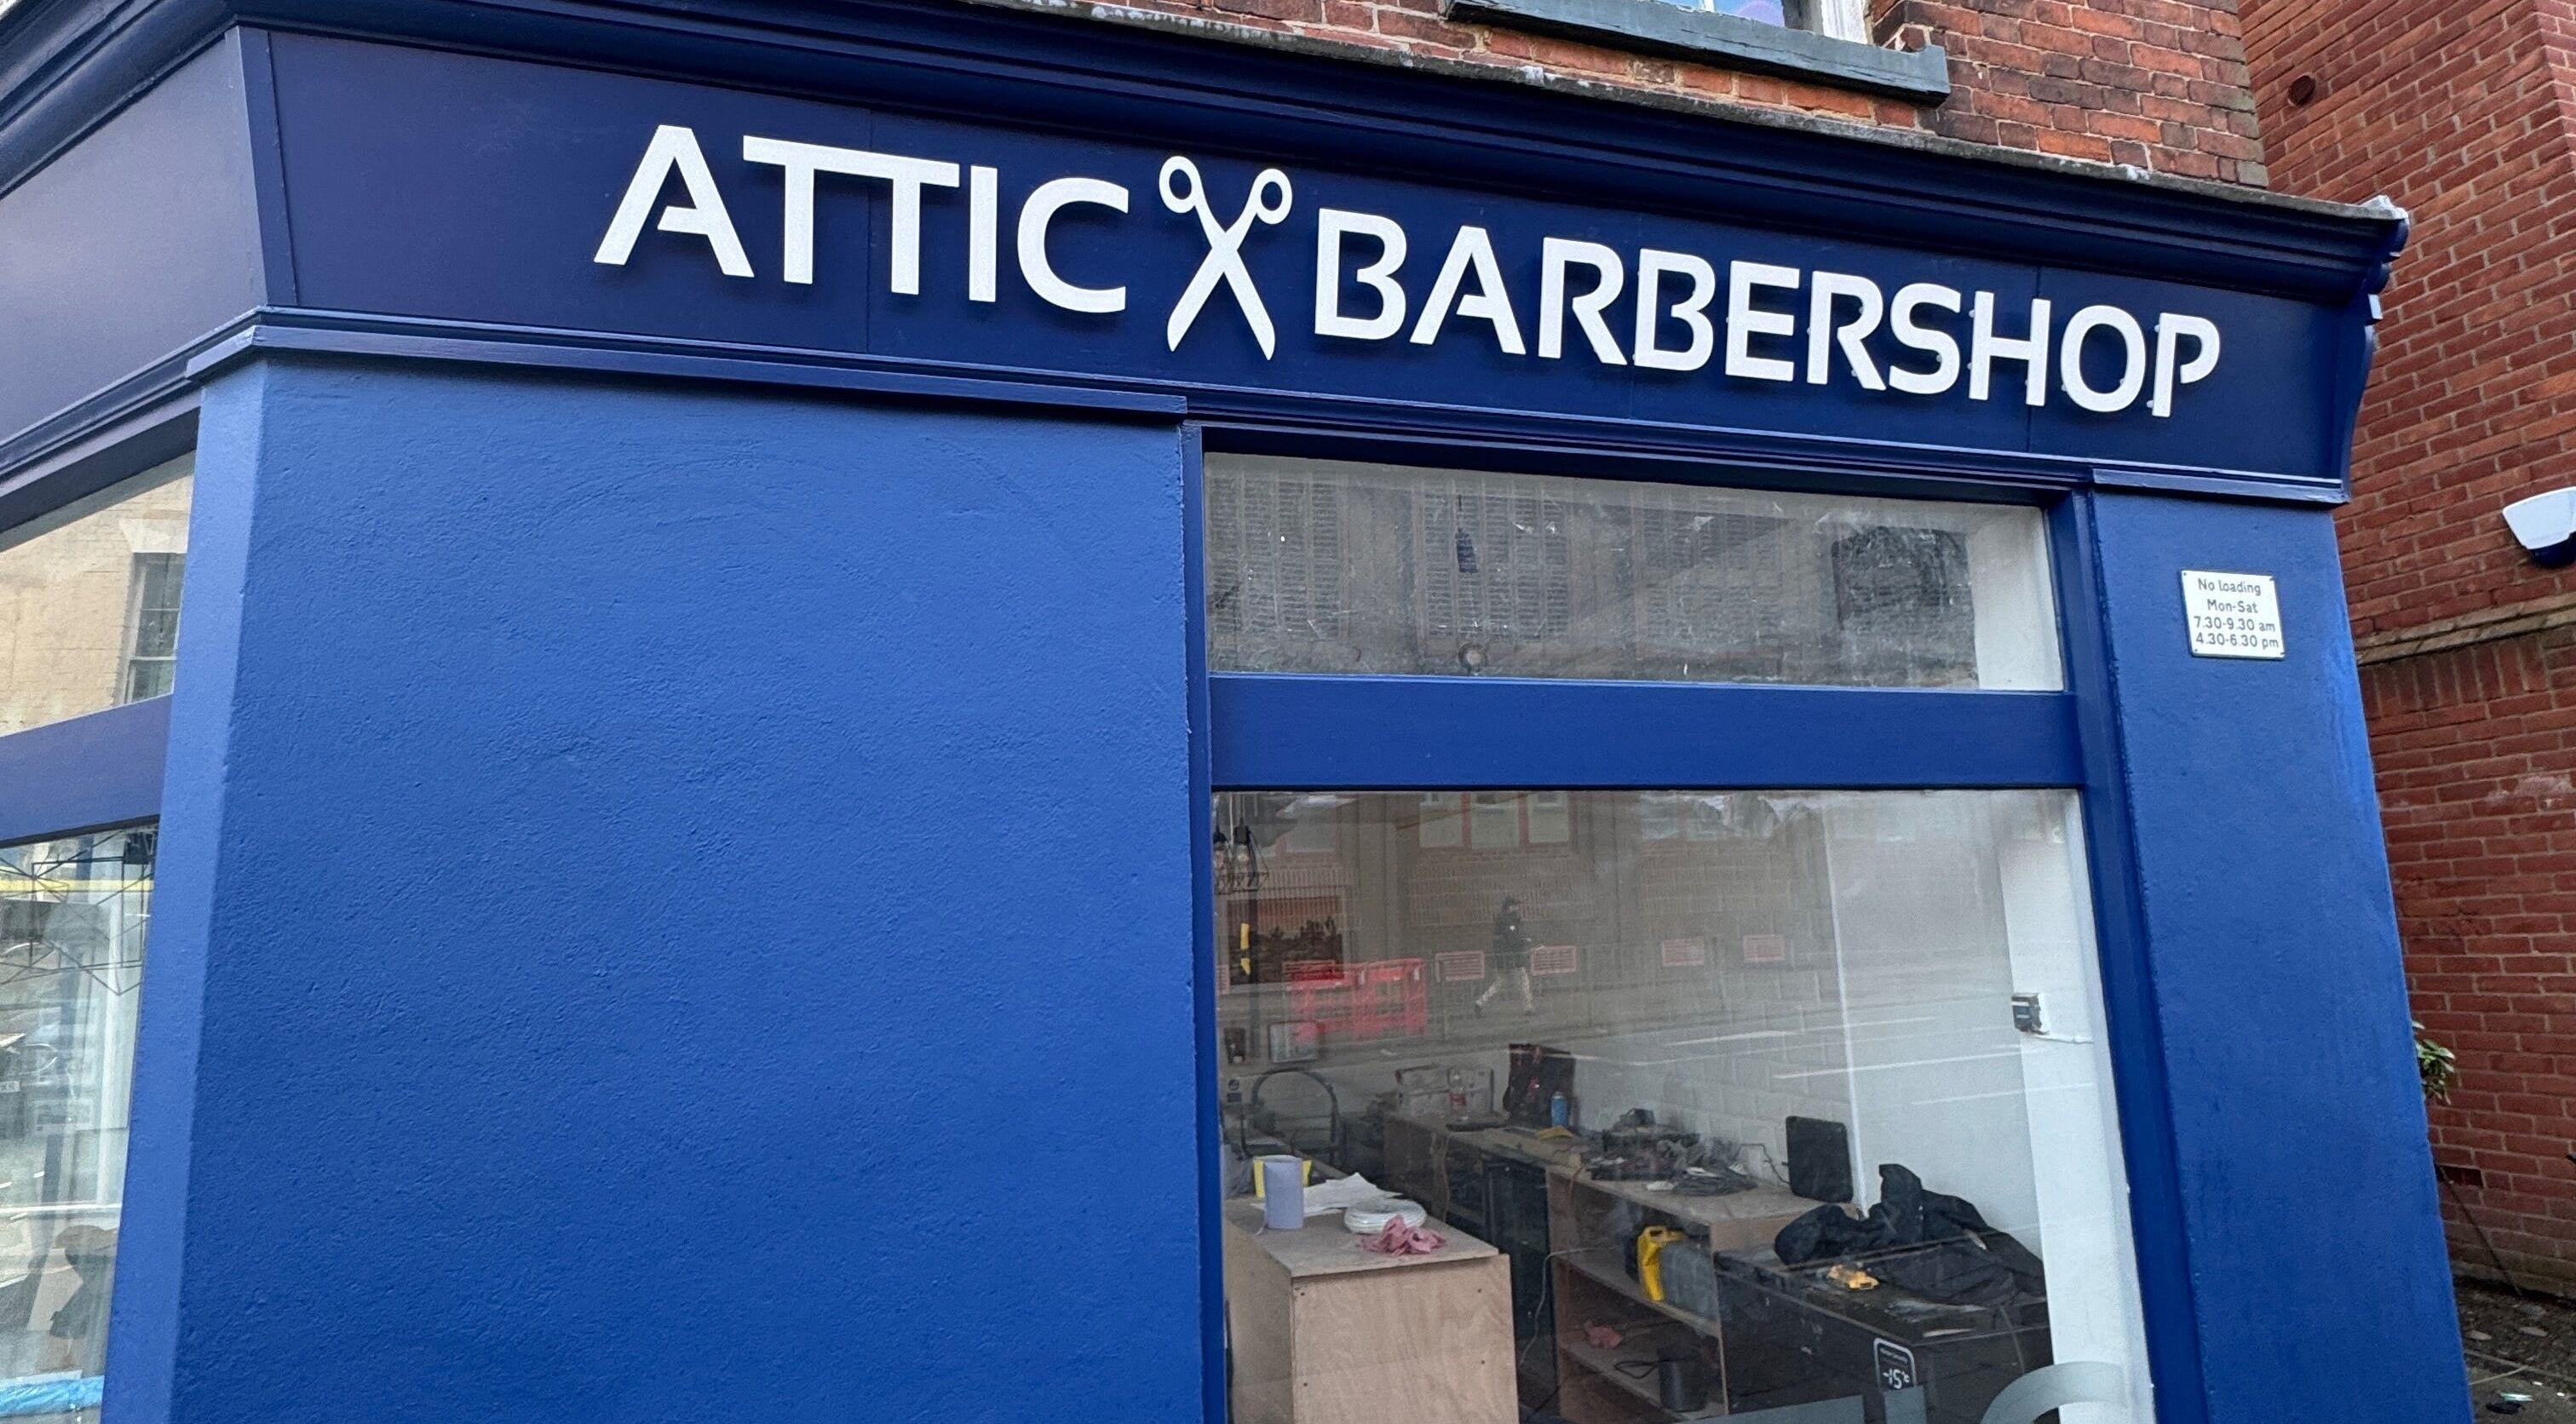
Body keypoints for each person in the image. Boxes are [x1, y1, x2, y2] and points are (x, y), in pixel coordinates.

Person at [1475, 896, 1535, 1016]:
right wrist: (1524, 941)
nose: (1517, 908)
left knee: (1500, 983)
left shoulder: (1502, 919)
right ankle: (1528, 1007)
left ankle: (1480, 1003)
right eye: (1516, 905)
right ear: (1510, 906)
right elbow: (1511, 938)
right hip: (1512, 958)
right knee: (1523, 980)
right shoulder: (1509, 920)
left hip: (1503, 958)